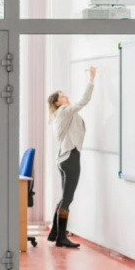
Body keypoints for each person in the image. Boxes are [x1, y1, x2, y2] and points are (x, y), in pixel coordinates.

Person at [46, 66, 97, 248]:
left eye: (64, 95)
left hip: (63, 159)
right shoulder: (65, 111)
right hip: (70, 158)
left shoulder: (59, 114)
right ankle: (61, 237)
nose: (66, 97)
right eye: (62, 97)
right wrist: (91, 79)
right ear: (57, 103)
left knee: (64, 197)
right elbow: (84, 100)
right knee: (67, 198)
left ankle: (55, 232)